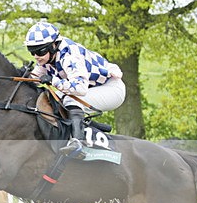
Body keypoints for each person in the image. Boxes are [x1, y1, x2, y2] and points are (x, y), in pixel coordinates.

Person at [25, 21, 125, 155]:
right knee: (52, 100)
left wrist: (54, 80)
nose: (36, 56)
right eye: (32, 52)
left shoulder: (70, 56)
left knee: (72, 100)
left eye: (40, 51)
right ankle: (86, 126)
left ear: (54, 45)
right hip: (92, 88)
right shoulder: (48, 57)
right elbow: (35, 78)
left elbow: (80, 89)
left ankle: (77, 142)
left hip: (111, 88)